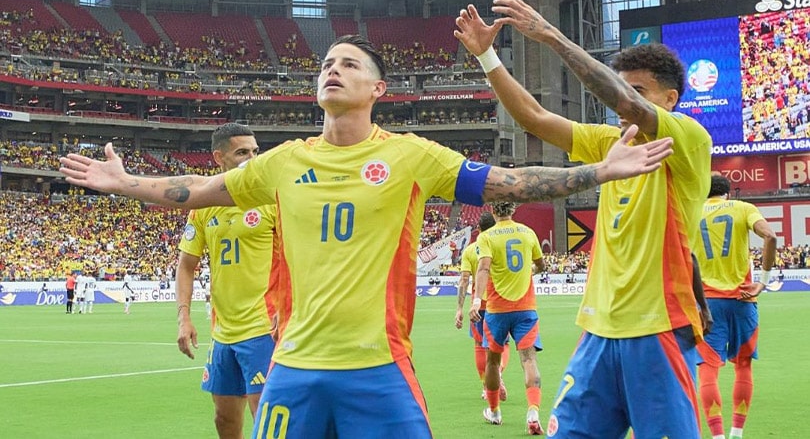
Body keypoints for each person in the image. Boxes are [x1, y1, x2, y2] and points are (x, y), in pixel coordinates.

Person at [59, 34, 673, 438]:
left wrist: (598, 171)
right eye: (327, 63)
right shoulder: (281, 162)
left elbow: (509, 181)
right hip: (292, 370)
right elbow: (194, 194)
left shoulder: (411, 156)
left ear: (378, 91)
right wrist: (124, 182)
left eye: (350, 63)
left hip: (379, 368)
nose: (333, 69)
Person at [454, 0, 711, 437]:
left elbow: (626, 104)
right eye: (623, 89)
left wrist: (551, 36)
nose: (622, 104)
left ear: (670, 99)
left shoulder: (686, 140)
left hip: (659, 331)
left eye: (638, 90)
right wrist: (487, 56)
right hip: (596, 332)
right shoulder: (608, 141)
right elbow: (534, 118)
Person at [175, 123, 277, 439]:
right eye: (242, 152)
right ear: (219, 157)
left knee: (267, 420)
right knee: (224, 421)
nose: (252, 158)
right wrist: (184, 317)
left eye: (255, 151)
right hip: (223, 333)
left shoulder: (272, 199)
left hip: (265, 328)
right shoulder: (203, 206)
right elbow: (186, 265)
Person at [694, 175, 777, 439]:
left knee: (708, 370)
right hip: (743, 300)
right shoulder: (744, 208)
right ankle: (736, 433)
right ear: (728, 194)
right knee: (743, 366)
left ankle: (717, 436)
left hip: (707, 304)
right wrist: (762, 282)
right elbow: (770, 235)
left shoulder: (691, 212)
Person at [469, 201, 545, 435]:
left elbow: (482, 268)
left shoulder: (487, 237)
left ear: (493, 211)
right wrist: (529, 272)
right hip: (526, 308)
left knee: (493, 361)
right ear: (514, 210)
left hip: (497, 310)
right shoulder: (527, 232)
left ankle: (494, 411)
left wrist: (476, 301)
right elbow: (540, 265)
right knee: (529, 360)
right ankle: (533, 412)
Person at [454, 211, 509, 401]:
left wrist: (459, 309)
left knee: (479, 345)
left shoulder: (469, 251)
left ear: (478, 229)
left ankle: (487, 386)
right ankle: (498, 372)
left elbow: (463, 281)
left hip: (479, 305)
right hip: (500, 301)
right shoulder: (499, 245)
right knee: (503, 343)